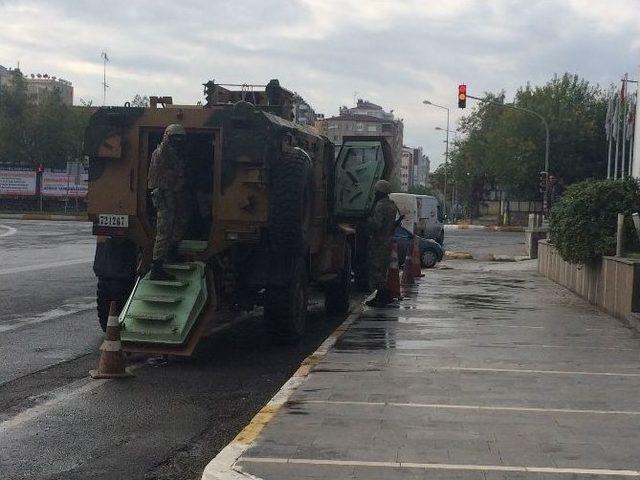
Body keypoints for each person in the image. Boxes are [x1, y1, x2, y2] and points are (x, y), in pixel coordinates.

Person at [147, 124, 189, 280]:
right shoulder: (162, 152)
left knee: (178, 224)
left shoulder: (174, 153)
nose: (178, 141)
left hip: (173, 194)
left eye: (180, 139)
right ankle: (156, 267)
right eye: (174, 138)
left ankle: (171, 253)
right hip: (164, 195)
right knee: (164, 230)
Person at [365, 179, 402, 307]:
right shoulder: (392, 205)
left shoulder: (381, 205)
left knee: (376, 269)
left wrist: (366, 220)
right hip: (387, 239)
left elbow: (377, 224)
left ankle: (383, 295)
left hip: (379, 240)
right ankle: (382, 296)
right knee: (382, 269)